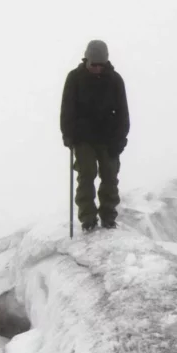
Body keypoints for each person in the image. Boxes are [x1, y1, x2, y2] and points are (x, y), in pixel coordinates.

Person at [60, 39, 130, 232]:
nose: (97, 68)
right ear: (86, 60)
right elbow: (67, 109)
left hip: (109, 138)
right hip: (83, 138)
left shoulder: (115, 80)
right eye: (93, 64)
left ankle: (108, 218)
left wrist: (121, 138)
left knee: (110, 175)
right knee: (86, 173)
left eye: (101, 64)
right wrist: (68, 135)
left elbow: (123, 113)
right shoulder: (74, 78)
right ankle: (88, 219)